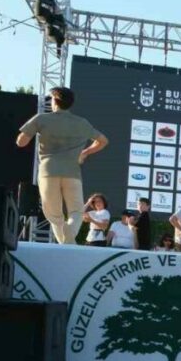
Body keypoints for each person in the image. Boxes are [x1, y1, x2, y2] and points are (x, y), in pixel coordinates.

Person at [16, 86, 109, 245]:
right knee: (76, 212)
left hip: (48, 171)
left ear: (54, 101)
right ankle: (69, 243)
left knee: (54, 216)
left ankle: (66, 246)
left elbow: (21, 142)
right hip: (72, 172)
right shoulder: (82, 123)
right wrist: (85, 152)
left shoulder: (41, 118)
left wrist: (33, 130)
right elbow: (103, 141)